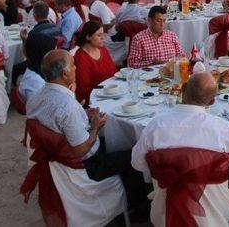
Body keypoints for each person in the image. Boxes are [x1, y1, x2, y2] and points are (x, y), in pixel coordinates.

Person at [26, 49, 147, 212]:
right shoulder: (66, 106)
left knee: (118, 140)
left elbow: (55, 121)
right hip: (87, 165)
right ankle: (136, 207)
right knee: (136, 153)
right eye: (74, 65)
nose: (76, 68)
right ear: (64, 73)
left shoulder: (35, 97)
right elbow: (81, 150)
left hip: (58, 155)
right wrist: (95, 127)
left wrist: (83, 114)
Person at [132, 71, 229, 225]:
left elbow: (137, 163)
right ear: (212, 102)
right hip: (215, 215)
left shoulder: (155, 126)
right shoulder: (225, 129)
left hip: (165, 214)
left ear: (183, 88)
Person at [73, 21, 118, 104]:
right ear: (88, 37)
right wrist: (107, 91)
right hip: (95, 99)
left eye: (103, 34)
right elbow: (83, 89)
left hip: (111, 93)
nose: (103, 38)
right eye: (99, 35)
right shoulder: (81, 58)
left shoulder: (103, 50)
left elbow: (114, 72)